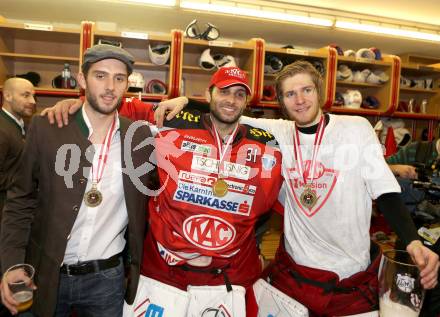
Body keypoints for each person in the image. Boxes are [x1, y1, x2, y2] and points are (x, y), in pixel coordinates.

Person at [154, 60, 439, 315]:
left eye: (306, 90)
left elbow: (385, 192)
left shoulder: (355, 128)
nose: (300, 100)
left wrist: (412, 240)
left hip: (350, 275)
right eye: (290, 94)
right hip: (295, 276)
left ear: (319, 92)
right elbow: (227, 109)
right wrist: (185, 101)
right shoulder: (275, 133)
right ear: (281, 101)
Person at [41, 66, 285, 316]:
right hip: (164, 274)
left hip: (227, 279)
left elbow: (269, 204)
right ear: (208, 94)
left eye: (239, 95)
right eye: (224, 92)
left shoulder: (265, 142)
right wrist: (77, 104)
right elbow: (114, 107)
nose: (231, 100)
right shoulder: (173, 121)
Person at [0, 44, 154, 316]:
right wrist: (12, 264)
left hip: (107, 278)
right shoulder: (47, 128)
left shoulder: (139, 138)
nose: (110, 87)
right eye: (100, 76)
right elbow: (20, 201)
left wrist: (186, 101)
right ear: (82, 80)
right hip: (46, 274)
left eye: (119, 79)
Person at [0, 78, 35, 222]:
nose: (33, 101)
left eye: (33, 96)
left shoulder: (21, 125)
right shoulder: (2, 129)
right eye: (26, 95)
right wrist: (28, 181)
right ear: (7, 96)